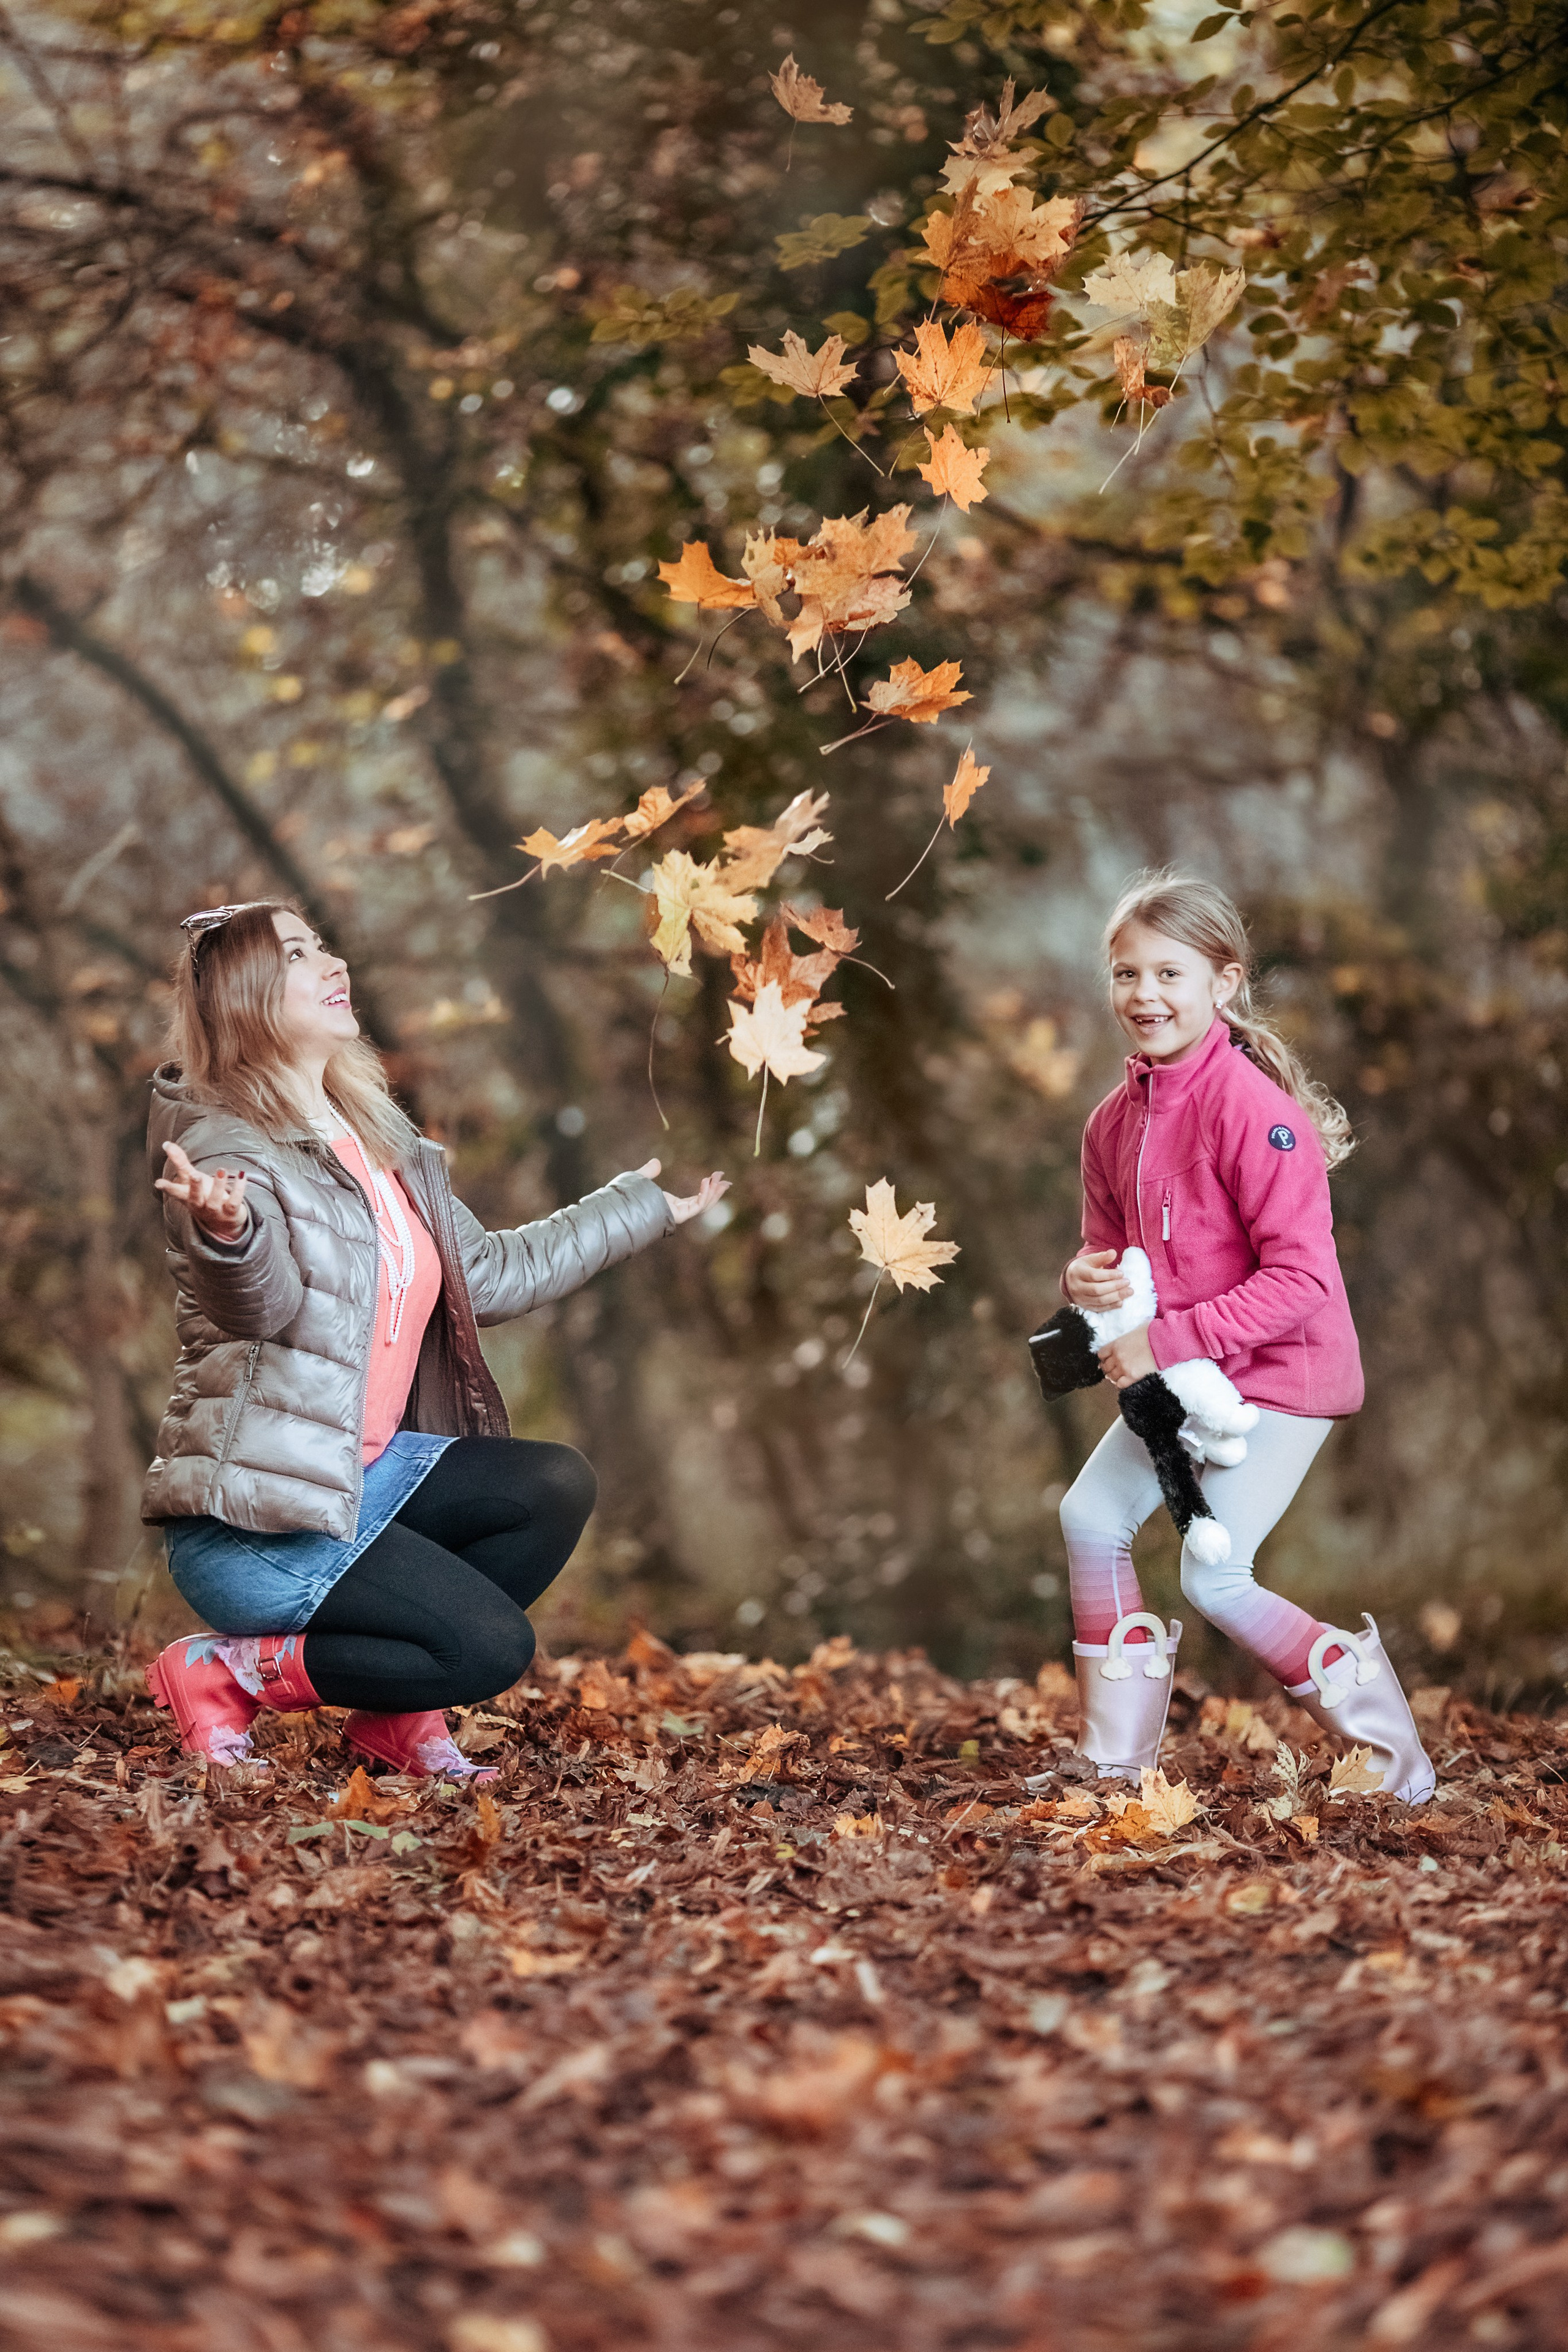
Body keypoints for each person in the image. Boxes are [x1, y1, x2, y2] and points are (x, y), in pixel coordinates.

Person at [141, 900, 728, 1779]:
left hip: (360, 1484)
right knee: (486, 1651)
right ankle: (224, 1670)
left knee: (551, 1484)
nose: (332, 964)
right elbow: (253, 1305)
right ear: (248, 996)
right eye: (300, 954)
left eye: (323, 945)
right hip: (260, 1526)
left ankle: (394, 1725)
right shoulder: (231, 1152)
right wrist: (229, 1232)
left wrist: (635, 1211)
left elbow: (487, 1275)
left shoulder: (381, 1142)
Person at [1051, 870, 1434, 1802]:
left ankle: (1398, 1771)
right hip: (1180, 1375)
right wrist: (1081, 1279)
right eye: (1127, 974)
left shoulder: (1255, 1115)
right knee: (1089, 1518)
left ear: (1223, 983)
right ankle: (1115, 1767)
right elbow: (1113, 1253)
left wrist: (1168, 1345)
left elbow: (1302, 1282)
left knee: (1216, 1581)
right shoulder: (1114, 1122)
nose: (1145, 996)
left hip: (1283, 1376)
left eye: (1170, 975)